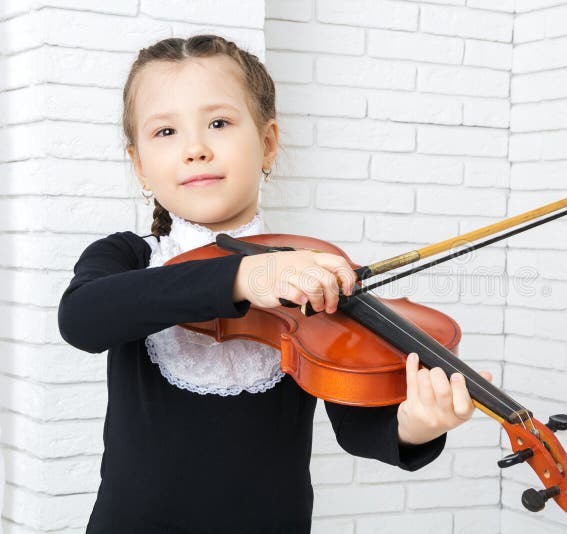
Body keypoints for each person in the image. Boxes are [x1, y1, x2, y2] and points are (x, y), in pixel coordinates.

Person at [57, 34, 492, 533]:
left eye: (218, 123)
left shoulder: (311, 272)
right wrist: (245, 275)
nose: (195, 149)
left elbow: (358, 427)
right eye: (166, 131)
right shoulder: (129, 257)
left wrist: (417, 424)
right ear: (140, 166)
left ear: (267, 144)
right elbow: (83, 318)